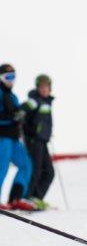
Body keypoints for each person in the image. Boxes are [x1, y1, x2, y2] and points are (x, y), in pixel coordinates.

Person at [0, 64, 34, 210]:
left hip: (13, 137)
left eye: (13, 77)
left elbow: (17, 115)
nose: (11, 80)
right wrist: (12, 117)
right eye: (8, 77)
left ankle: (15, 198)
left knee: (26, 164)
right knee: (2, 167)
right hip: (2, 137)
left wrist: (21, 116)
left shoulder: (12, 96)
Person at [23, 73, 55, 209]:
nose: (44, 89)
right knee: (35, 170)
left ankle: (36, 198)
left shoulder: (46, 102)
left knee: (49, 172)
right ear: (37, 88)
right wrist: (32, 132)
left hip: (43, 141)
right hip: (34, 141)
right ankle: (27, 198)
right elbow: (22, 115)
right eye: (41, 87)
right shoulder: (34, 101)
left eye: (46, 86)